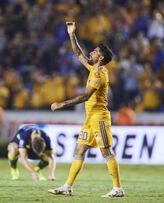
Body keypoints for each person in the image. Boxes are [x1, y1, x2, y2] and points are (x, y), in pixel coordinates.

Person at [48, 22, 124, 198]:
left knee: (106, 151)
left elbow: (85, 97)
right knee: (79, 150)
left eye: (96, 52)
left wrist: (62, 104)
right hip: (90, 118)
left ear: (101, 58)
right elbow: (78, 53)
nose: (91, 52)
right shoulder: (93, 68)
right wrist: (71, 33)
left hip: (99, 117)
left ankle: (118, 188)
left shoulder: (99, 74)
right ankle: (67, 186)